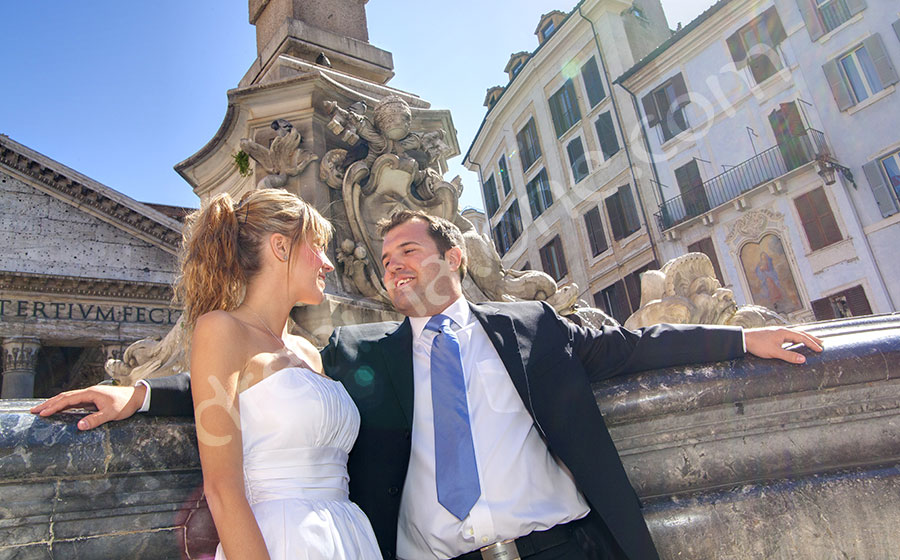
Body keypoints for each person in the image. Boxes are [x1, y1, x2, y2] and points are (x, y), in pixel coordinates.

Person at [33, 210, 823, 560]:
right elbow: (251, 394)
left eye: (410, 249)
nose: (393, 264)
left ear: (453, 259)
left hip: (561, 549)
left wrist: (743, 335)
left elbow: (634, 346)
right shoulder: (354, 351)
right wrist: (140, 395)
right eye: (386, 257)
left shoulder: (530, 325)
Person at [51, 188, 383, 560]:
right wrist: (140, 393)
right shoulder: (221, 329)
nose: (328, 263)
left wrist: (145, 394)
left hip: (348, 536)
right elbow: (223, 490)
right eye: (317, 246)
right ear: (281, 247)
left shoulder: (308, 351)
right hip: (281, 540)